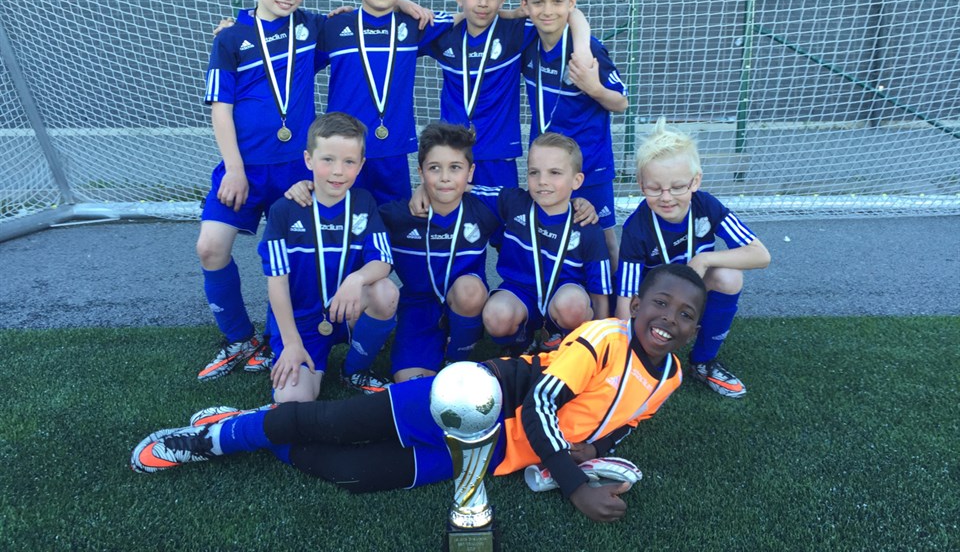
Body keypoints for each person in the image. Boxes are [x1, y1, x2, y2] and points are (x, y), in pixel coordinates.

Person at [131, 264, 706, 524]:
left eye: (684, 314)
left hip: (491, 455)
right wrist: (576, 485)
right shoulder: (603, 339)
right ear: (635, 305)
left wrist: (593, 449)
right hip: (471, 398)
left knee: (350, 474)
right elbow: (539, 405)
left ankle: (258, 427)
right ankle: (216, 437)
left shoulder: (672, 377)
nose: (668, 320)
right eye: (659, 304)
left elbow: (626, 421)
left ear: (695, 329)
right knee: (333, 424)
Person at [195, 0, 325, 382]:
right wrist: (234, 168)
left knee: (289, 256)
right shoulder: (231, 38)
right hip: (244, 169)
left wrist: (405, 3)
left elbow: (366, 21)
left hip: (295, 171)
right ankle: (239, 338)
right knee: (210, 247)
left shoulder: (311, 28)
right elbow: (221, 108)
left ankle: (278, 340)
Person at [616, 118, 771, 398]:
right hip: (654, 303)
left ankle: (703, 362)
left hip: (694, 293)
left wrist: (704, 260)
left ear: (695, 181)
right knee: (636, 355)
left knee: (729, 276)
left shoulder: (706, 206)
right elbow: (626, 297)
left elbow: (760, 255)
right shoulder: (636, 228)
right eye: (655, 188)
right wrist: (623, 354)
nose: (666, 197)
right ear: (641, 184)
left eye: (677, 187)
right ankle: (641, 356)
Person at [423, 0, 593, 188]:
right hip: (452, 153)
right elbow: (398, 22)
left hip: (498, 154)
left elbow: (571, 13)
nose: (483, 3)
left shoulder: (515, 30)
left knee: (501, 210)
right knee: (452, 211)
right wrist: (403, 3)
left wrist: (583, 48)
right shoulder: (444, 33)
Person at [261, 112, 398, 400]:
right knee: (292, 401)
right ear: (309, 160)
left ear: (361, 165)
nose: (338, 171)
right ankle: (296, 351)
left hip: (347, 310)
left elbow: (383, 261)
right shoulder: (283, 211)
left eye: (349, 162)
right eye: (328, 160)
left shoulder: (363, 203)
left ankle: (355, 369)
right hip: (302, 323)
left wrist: (356, 279)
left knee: (385, 292)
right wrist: (291, 343)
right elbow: (277, 283)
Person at [318, 0, 454, 205]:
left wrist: (513, 14)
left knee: (395, 223)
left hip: (393, 152)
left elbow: (471, 16)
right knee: (345, 223)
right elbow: (290, 55)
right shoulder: (333, 27)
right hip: (343, 153)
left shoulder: (415, 25)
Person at [519, 0, 629, 273]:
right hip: (547, 166)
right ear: (526, 6)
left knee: (604, 238)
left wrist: (594, 88)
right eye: (538, 2)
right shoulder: (526, 41)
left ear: (571, 2)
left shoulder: (589, 50)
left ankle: (619, 302)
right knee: (550, 233)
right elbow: (494, 15)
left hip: (590, 163)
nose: (547, 10)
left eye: (557, 1)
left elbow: (621, 103)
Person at [379, 122, 500, 381]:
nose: (445, 177)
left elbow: (534, 199)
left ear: (470, 172)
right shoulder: (398, 215)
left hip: (465, 299)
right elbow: (354, 212)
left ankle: (457, 356)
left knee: (470, 290)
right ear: (421, 172)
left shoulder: (485, 206)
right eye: (434, 168)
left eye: (455, 168)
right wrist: (307, 188)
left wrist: (579, 203)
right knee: (412, 384)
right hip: (418, 307)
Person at [477, 133, 611, 354]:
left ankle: (558, 333)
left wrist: (602, 340)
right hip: (520, 292)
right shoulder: (515, 203)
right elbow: (464, 190)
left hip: (564, 294)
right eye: (534, 172)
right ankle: (522, 341)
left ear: (577, 181)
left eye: (554, 173)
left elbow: (600, 293)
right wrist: (426, 189)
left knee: (574, 305)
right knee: (496, 315)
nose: (542, 181)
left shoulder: (587, 225)